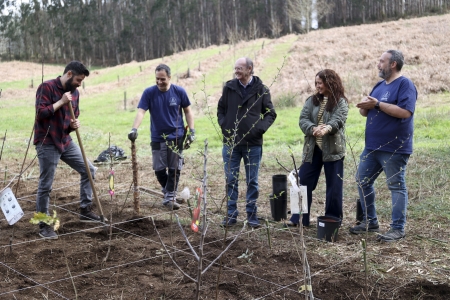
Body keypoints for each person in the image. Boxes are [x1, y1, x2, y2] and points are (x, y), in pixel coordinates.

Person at [350, 50, 417, 242]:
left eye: (381, 61)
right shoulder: (379, 86)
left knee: (396, 186)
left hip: (394, 147)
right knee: (362, 181)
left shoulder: (405, 84)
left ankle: (397, 228)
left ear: (393, 64)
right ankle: (371, 222)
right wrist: (364, 107)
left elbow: (405, 112)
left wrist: (378, 104)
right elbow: (367, 111)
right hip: (372, 147)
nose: (378, 64)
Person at [34, 61, 102, 240]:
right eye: (79, 80)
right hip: (47, 141)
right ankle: (44, 225)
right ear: (69, 74)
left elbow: (73, 116)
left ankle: (85, 210)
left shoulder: (75, 93)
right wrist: (60, 102)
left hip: (65, 140)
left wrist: (73, 125)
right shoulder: (46, 87)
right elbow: (41, 113)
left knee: (89, 170)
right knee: (46, 185)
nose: (80, 84)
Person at [218, 57, 277, 228]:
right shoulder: (229, 88)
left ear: (250, 69)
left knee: (252, 180)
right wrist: (225, 125)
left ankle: (252, 215)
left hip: (253, 144)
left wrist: (258, 129)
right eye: (235, 68)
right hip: (231, 143)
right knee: (231, 179)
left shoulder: (262, 90)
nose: (236, 71)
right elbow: (221, 109)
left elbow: (270, 114)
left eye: (240, 68)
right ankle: (231, 214)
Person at [286, 69, 348, 228]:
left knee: (334, 186)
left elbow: (338, 120)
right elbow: (303, 119)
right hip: (312, 149)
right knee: (302, 180)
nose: (317, 86)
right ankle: (298, 218)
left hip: (333, 151)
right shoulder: (311, 101)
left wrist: (327, 128)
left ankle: (332, 220)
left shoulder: (340, 101)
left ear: (330, 82)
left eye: (320, 83)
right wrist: (313, 128)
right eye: (316, 83)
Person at [128, 64, 195, 210]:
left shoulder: (179, 92)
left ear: (169, 77)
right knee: (158, 169)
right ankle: (168, 192)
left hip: (176, 136)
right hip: (158, 137)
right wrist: (134, 128)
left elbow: (188, 111)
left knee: (174, 168)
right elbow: (141, 112)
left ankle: (169, 198)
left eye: (162, 79)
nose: (159, 82)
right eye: (157, 79)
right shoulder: (149, 93)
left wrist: (192, 131)